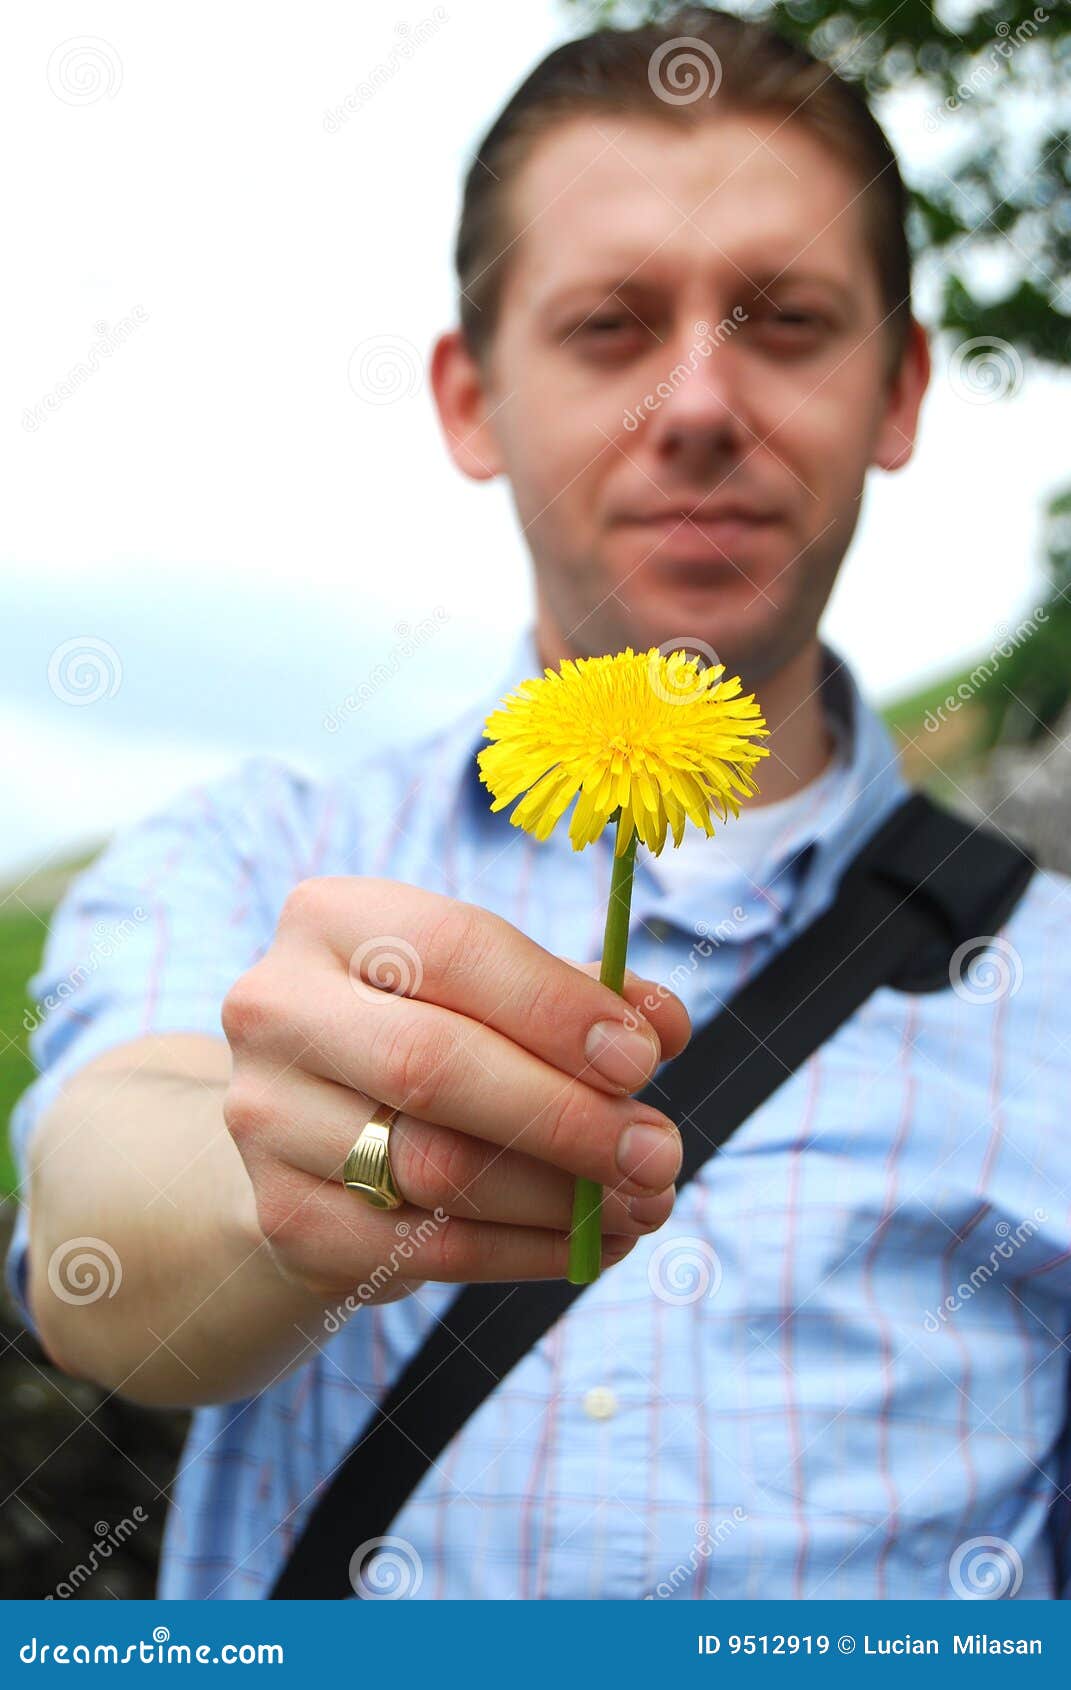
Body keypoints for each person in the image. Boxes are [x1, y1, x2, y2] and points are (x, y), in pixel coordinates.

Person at [8, 7, 1071, 1601]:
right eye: (609, 327)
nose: (698, 404)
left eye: (785, 320)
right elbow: (96, 1225)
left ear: (905, 391)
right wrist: (279, 1180)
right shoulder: (256, 855)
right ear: (469, 399)